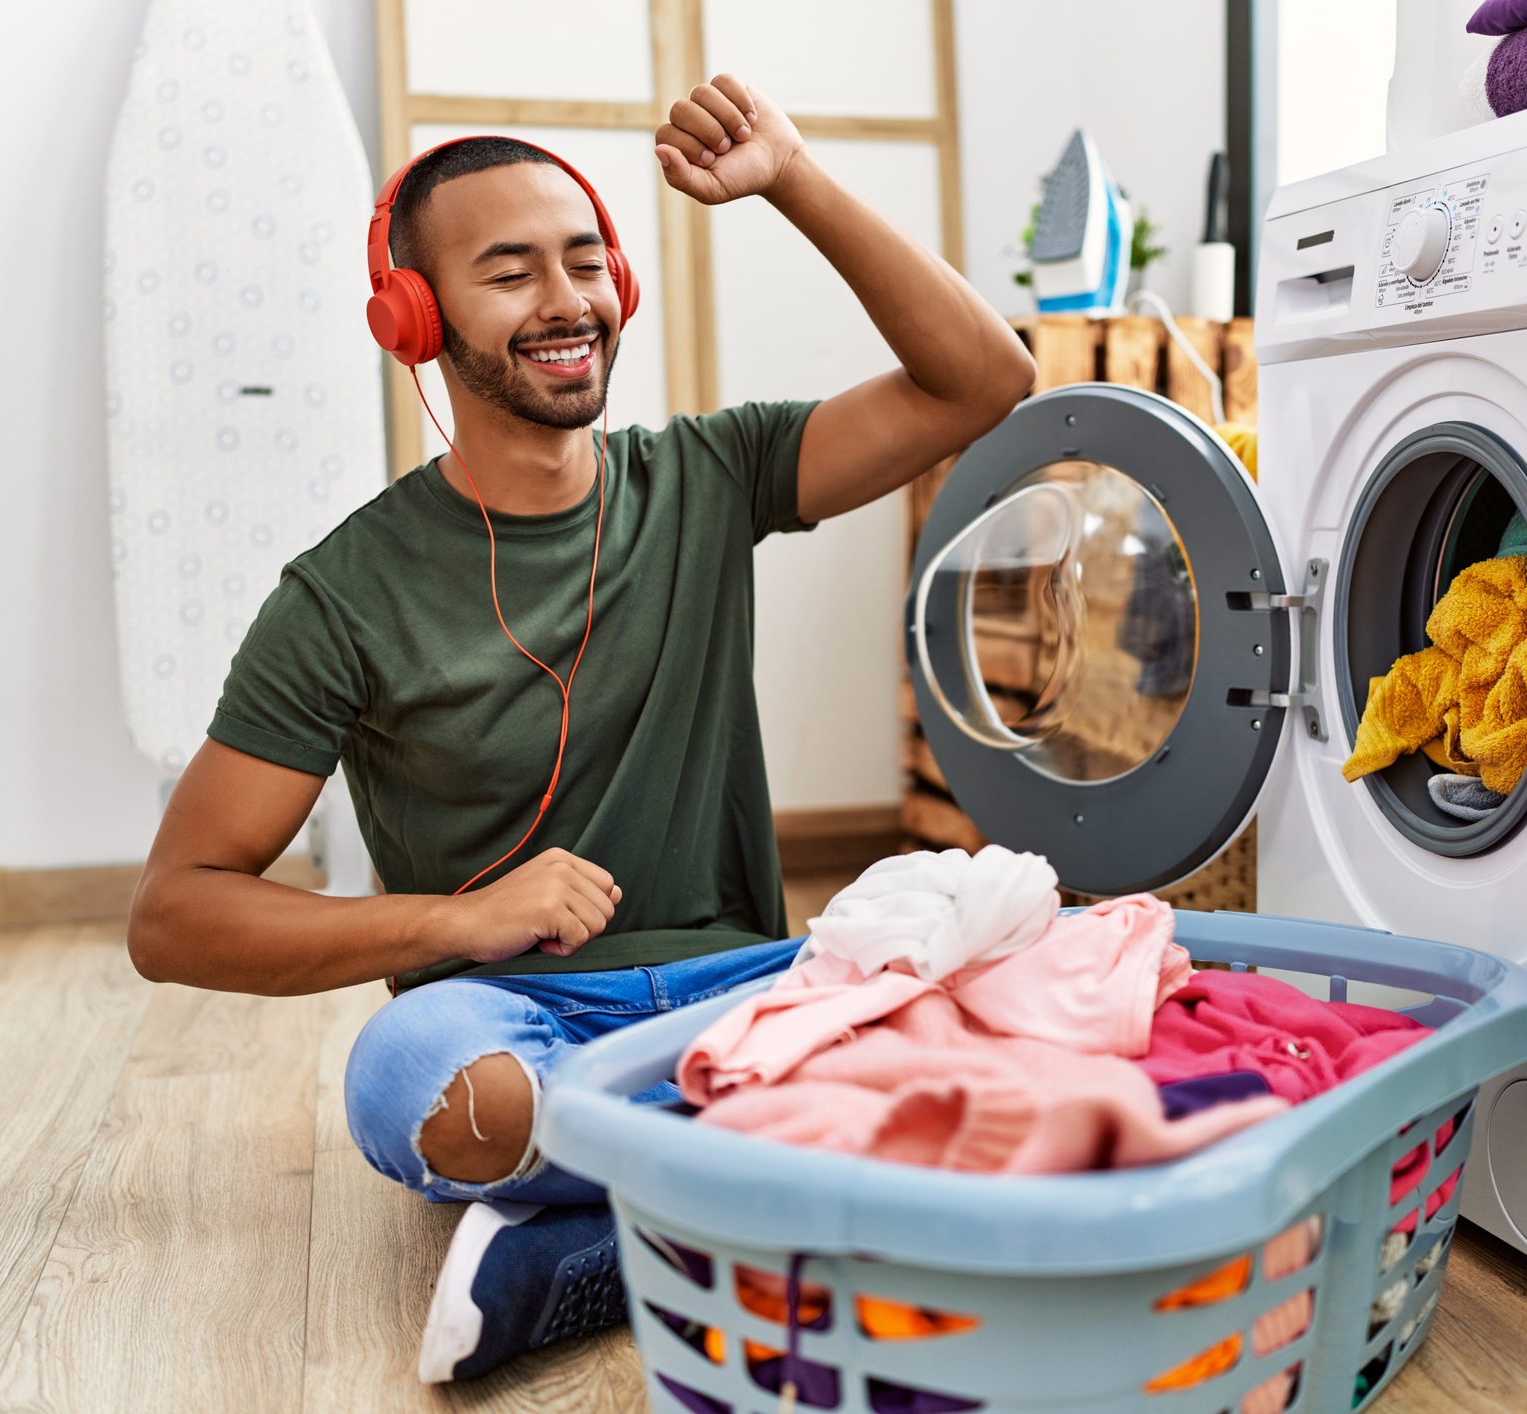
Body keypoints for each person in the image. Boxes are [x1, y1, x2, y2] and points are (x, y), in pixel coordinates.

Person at [125, 72, 1036, 1382]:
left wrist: (791, 178)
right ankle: (784, 1192)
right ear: (415, 316)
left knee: (1005, 966)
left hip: (745, 993)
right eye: (509, 273)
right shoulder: (340, 597)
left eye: (584, 261)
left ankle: (600, 1246)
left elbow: (980, 378)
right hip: (510, 1020)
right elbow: (177, 912)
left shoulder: (709, 476)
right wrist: (453, 921)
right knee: (422, 1086)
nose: (566, 302)